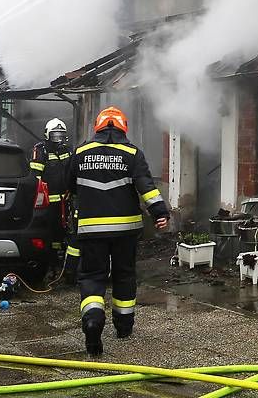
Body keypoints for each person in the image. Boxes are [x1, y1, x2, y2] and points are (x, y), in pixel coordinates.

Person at [67, 106, 169, 356]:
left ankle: (92, 321)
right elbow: (147, 187)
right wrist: (160, 214)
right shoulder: (133, 153)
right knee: (124, 275)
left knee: (92, 276)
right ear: (123, 127)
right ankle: (123, 327)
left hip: (91, 229)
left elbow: (69, 186)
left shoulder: (80, 152)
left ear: (98, 127)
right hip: (126, 229)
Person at [31, 118, 76, 279]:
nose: (58, 139)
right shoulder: (40, 150)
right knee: (49, 231)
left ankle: (62, 261)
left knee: (64, 231)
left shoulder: (68, 150)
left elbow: (72, 171)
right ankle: (50, 262)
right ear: (47, 135)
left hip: (66, 199)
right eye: (55, 135)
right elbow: (36, 177)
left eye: (61, 135)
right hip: (48, 202)